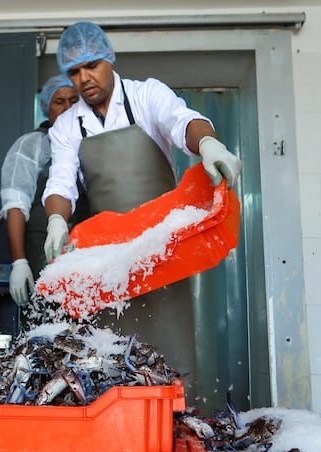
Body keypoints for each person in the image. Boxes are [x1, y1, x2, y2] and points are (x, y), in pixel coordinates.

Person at [41, 22, 242, 382]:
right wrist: (57, 220)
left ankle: (178, 431)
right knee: (116, 361)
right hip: (111, 256)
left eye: (93, 66)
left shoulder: (146, 95)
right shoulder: (67, 126)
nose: (85, 77)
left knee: (171, 356)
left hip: (162, 248)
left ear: (109, 60)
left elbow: (182, 122)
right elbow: (61, 181)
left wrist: (209, 144)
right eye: (75, 71)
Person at [0, 73, 87, 306]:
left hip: (87, 253)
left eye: (74, 101)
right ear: (46, 107)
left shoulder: (91, 142)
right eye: (60, 102)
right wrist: (19, 262)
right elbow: (16, 205)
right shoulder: (31, 146)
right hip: (43, 252)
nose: (68, 108)